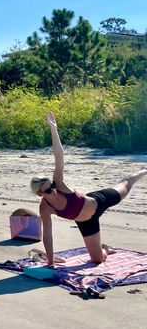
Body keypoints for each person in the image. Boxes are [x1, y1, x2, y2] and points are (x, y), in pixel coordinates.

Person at [31, 111, 147, 265]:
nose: (52, 190)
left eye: (51, 186)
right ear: (40, 194)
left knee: (126, 184)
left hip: (98, 201)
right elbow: (47, 235)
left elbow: (59, 156)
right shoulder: (45, 208)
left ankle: (143, 170)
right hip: (86, 222)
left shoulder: (58, 183)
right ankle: (104, 248)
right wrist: (50, 262)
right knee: (97, 259)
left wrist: (54, 129)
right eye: (47, 190)